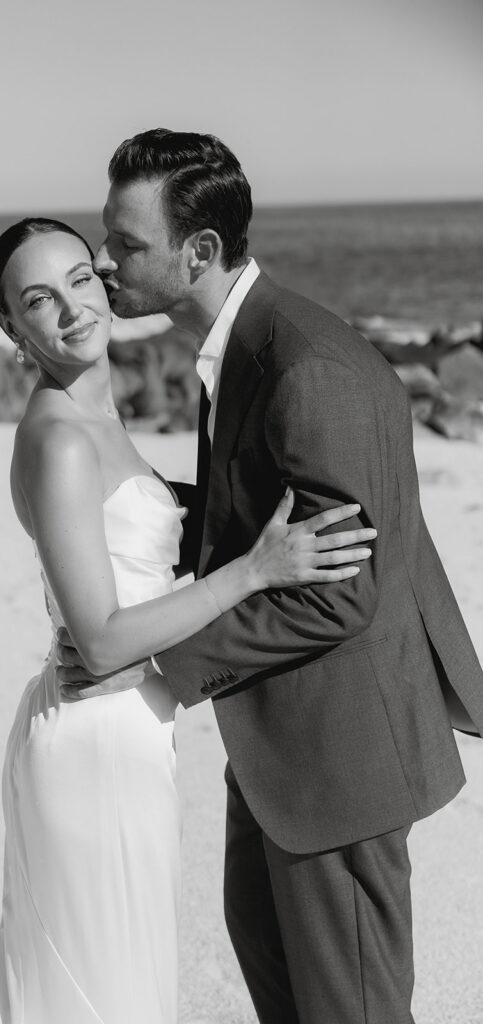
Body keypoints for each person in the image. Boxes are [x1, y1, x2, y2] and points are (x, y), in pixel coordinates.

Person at [57, 130, 483, 1024]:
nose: (105, 263)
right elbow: (246, 511)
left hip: (341, 754)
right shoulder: (245, 346)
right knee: (269, 962)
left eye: (126, 245)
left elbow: (339, 591)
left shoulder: (305, 368)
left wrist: (158, 664)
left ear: (198, 251)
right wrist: (127, 503)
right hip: (278, 748)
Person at [0, 216, 376, 1024]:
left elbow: (140, 549)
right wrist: (255, 570)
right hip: (93, 742)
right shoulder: (58, 438)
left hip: (129, 732)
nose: (70, 310)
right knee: (109, 992)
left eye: (80, 281)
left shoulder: (97, 417)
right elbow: (98, 640)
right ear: (10, 327)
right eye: (38, 300)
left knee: (122, 983)